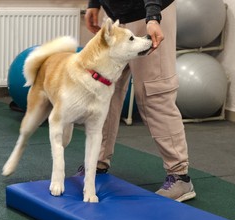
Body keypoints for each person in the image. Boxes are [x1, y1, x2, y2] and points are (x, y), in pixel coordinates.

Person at [79, 0, 196, 202]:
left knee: (155, 93)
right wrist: (95, 3)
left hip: (149, 15)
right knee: (104, 90)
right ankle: (96, 165)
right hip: (116, 18)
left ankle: (179, 177)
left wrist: (152, 16)